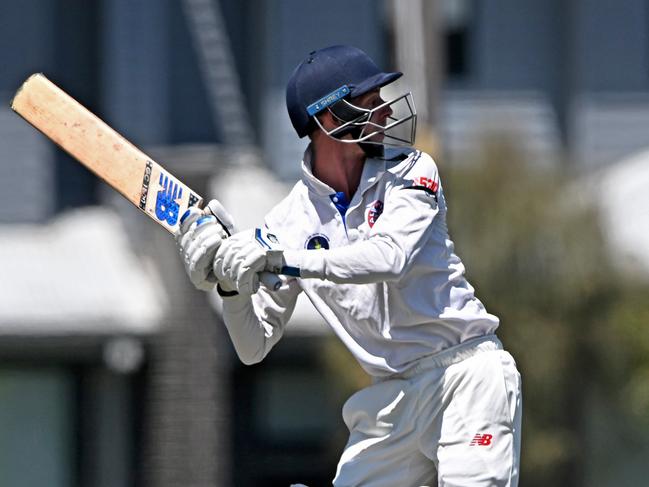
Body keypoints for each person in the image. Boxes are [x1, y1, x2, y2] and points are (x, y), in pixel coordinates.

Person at [176, 45, 522, 487]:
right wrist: (231, 286)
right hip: (391, 397)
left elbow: (389, 258)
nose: (383, 109)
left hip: (466, 375)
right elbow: (252, 345)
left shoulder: (413, 172)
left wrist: (279, 259)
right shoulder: (287, 223)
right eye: (369, 100)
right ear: (328, 120)